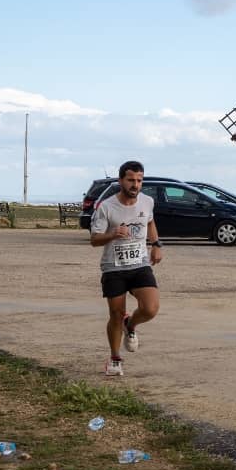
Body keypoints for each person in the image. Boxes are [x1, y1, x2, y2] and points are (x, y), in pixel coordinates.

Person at [89, 160, 162, 377]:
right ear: (121, 180)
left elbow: (150, 222)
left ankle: (130, 325)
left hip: (140, 264)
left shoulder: (147, 202)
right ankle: (115, 358)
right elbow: (94, 240)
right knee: (116, 313)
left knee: (150, 308)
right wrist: (112, 234)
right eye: (131, 180)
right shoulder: (107, 207)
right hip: (114, 267)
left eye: (139, 180)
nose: (135, 185)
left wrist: (156, 244)